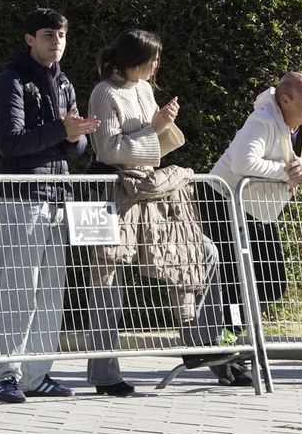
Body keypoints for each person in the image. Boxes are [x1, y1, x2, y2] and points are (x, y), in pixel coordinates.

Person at [85, 30, 250, 396]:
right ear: (134, 57)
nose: (157, 65)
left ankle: (202, 343)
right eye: (152, 58)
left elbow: (153, 150)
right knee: (106, 278)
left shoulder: (143, 88)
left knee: (203, 251)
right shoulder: (104, 92)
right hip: (110, 191)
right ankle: (105, 372)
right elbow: (110, 150)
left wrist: (162, 127)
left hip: (148, 189)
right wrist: (154, 127)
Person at [0, 8, 100, 403]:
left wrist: (75, 137)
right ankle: (5, 374)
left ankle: (37, 374)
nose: (56, 41)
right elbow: (9, 143)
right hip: (22, 196)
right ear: (29, 39)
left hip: (58, 195)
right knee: (17, 288)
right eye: (48, 34)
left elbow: (77, 148)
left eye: (62, 35)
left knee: (51, 290)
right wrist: (61, 132)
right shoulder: (10, 82)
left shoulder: (65, 83)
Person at [210, 72, 302, 315]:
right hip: (223, 200)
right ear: (285, 101)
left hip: (260, 209)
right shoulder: (261, 120)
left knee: (272, 282)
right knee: (232, 277)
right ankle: (224, 336)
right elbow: (242, 164)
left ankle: (237, 332)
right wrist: (287, 172)